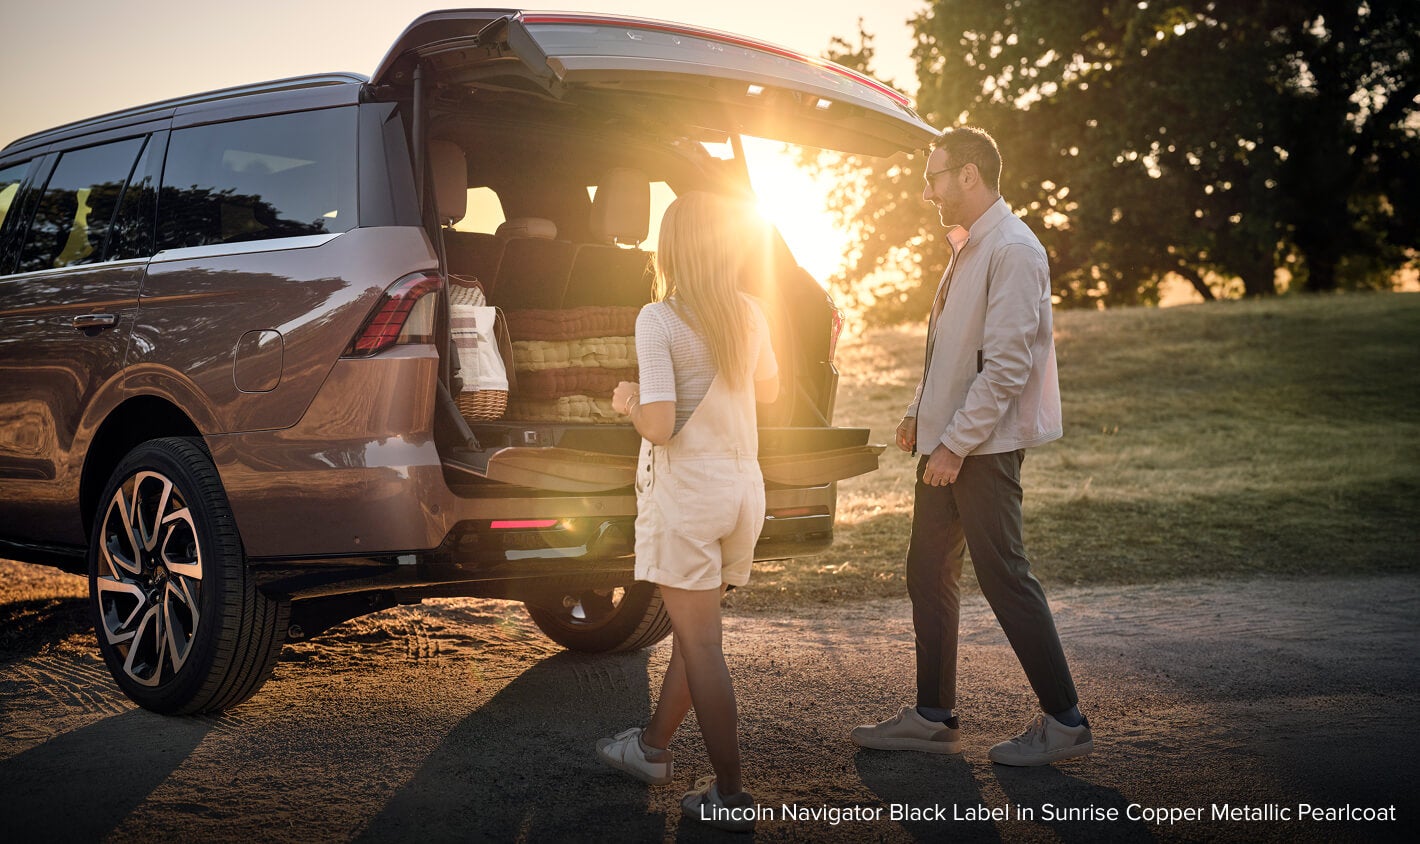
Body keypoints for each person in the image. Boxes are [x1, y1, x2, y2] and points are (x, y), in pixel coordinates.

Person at [851, 126, 1092, 766]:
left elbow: (1007, 366)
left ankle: (1065, 722)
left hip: (979, 449)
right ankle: (933, 718)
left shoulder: (1013, 249)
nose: (926, 192)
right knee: (928, 571)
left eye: (933, 178)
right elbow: (951, 353)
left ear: (968, 174)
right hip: (947, 444)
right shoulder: (968, 246)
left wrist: (954, 444)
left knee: (1005, 577)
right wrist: (917, 413)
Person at [598, 192, 779, 831]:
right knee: (693, 634)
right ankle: (651, 749)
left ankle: (730, 795)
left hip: (690, 498)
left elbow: (659, 425)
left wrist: (627, 399)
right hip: (743, 494)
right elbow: (770, 389)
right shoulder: (749, 311)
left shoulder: (659, 318)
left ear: (671, 249)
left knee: (702, 644)